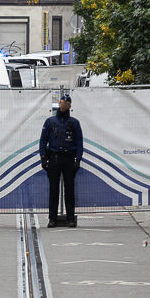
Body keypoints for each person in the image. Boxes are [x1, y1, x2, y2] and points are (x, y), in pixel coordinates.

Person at [39, 93, 83, 228]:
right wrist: (43, 158)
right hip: (54, 158)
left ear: (69, 106)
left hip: (69, 159)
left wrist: (78, 159)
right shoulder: (50, 121)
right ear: (59, 104)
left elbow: (79, 141)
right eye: (61, 103)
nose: (63, 105)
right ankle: (52, 219)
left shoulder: (74, 122)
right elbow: (43, 140)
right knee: (53, 190)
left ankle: (70, 218)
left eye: (66, 104)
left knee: (69, 190)